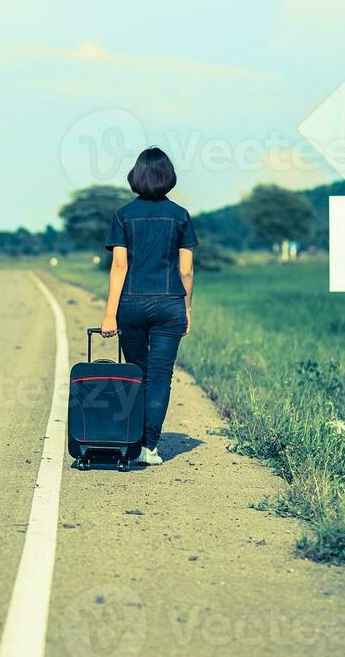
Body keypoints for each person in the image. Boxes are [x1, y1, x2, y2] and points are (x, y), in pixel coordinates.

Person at [101, 147, 198, 466]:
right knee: (160, 375)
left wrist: (109, 314)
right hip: (169, 304)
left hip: (131, 305)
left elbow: (119, 267)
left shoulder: (123, 215)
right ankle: (150, 447)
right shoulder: (180, 216)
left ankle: (131, 438)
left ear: (136, 176)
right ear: (169, 177)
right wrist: (186, 309)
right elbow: (186, 270)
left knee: (138, 373)